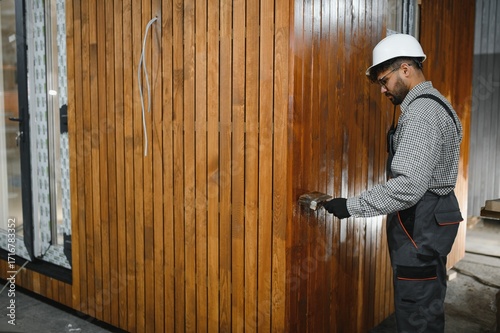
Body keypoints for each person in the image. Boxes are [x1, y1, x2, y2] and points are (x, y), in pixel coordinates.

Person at [322, 33, 464, 333]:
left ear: (405, 69)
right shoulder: (438, 104)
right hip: (432, 220)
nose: (383, 89)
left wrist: (350, 206)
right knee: (426, 299)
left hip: (420, 224)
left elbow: (409, 186)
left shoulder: (421, 115)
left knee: (416, 310)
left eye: (384, 80)